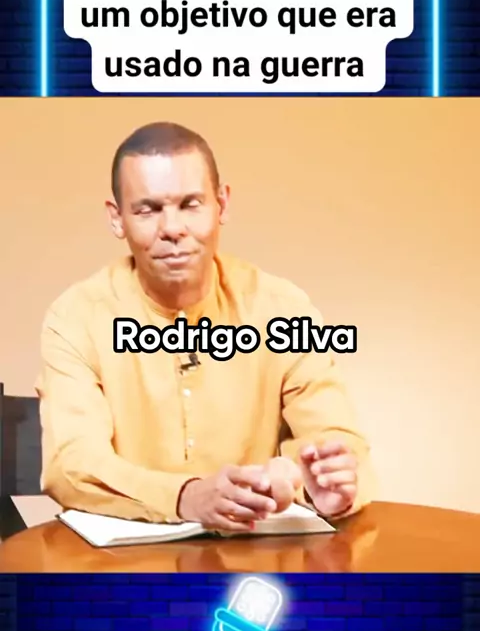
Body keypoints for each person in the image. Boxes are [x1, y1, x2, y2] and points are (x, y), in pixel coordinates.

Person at [36, 122, 376, 532]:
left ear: (222, 204)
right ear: (117, 218)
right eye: (148, 209)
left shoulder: (282, 309)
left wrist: (323, 484)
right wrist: (186, 496)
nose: (172, 229)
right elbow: (71, 465)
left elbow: (339, 440)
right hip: (121, 563)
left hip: (256, 552)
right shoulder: (76, 317)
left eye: (190, 204)